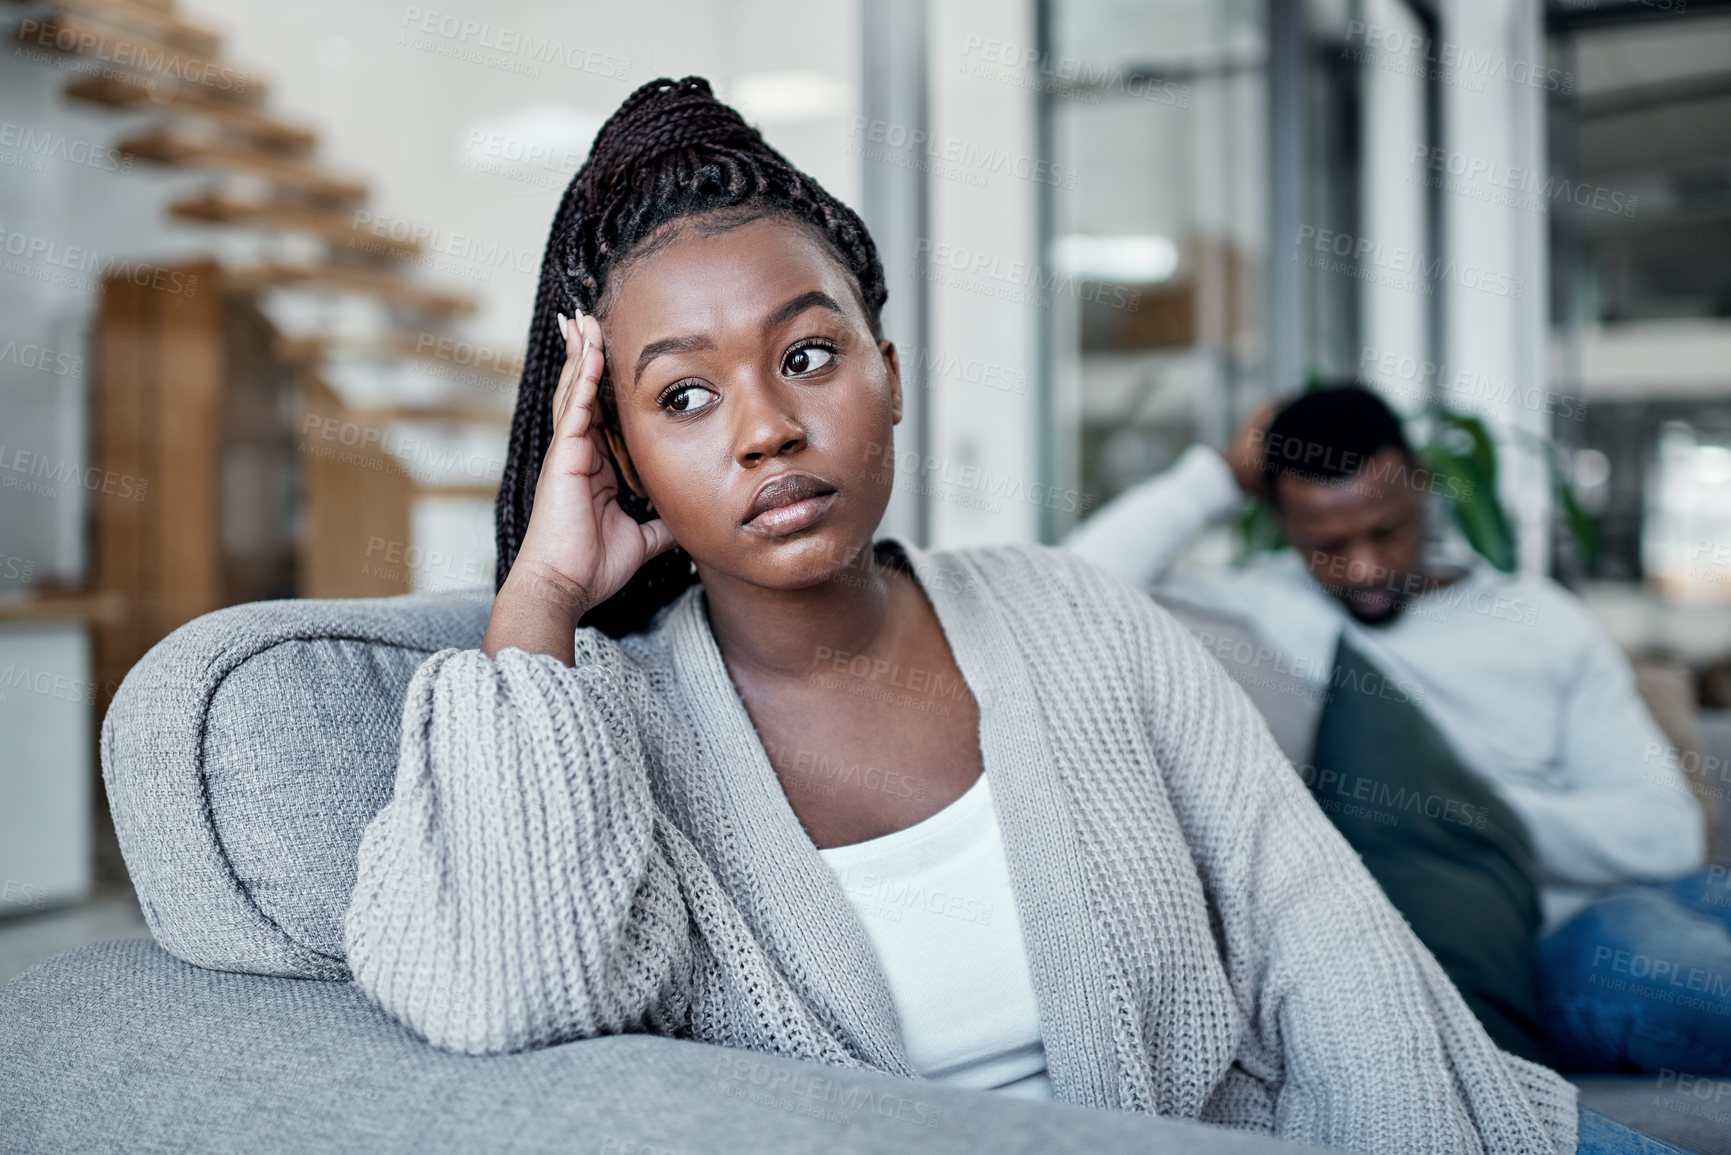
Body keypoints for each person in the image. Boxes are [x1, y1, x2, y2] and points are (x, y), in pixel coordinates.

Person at [344, 76, 1637, 1153]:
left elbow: (1320, 933)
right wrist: (542, 594)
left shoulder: (1069, 609)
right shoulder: (602, 729)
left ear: (886, 373)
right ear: (614, 450)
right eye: (681, 396)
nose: (766, 428)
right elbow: (507, 981)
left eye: (806, 354)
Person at [1064, 384, 1731, 1078]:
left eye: (1385, 530)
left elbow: (1667, 833)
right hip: (1559, 940)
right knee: (1660, 962)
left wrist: (1470, 814)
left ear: (1420, 486)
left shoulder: (1537, 618)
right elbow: (1066, 592)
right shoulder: (1263, 609)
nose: (1364, 568)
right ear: (1282, 521)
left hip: (1650, 893)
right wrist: (1220, 477)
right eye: (1326, 544)